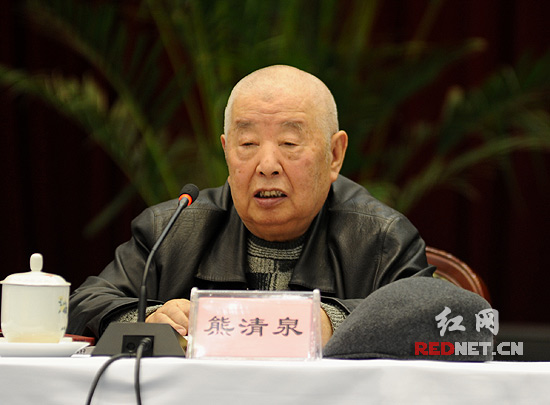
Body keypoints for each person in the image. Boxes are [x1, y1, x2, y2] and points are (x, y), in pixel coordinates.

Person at [68, 65, 434, 346]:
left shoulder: (382, 237)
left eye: (289, 143)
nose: (267, 165)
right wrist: (149, 318)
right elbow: (82, 304)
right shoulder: (173, 229)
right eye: (247, 144)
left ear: (334, 154)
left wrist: (333, 322)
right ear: (226, 151)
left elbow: (439, 321)